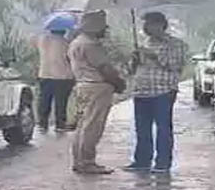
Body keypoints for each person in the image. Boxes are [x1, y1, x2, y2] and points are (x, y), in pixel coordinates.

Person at [124, 11, 188, 173]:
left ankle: (162, 163)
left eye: (150, 24)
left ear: (160, 25)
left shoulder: (175, 44)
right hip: (141, 91)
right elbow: (131, 70)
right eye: (145, 24)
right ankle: (142, 161)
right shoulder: (145, 43)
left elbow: (175, 66)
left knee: (163, 128)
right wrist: (135, 60)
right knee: (142, 129)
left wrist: (153, 57)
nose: (147, 28)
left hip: (163, 91)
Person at [68, 10, 126, 175]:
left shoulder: (76, 42)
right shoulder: (91, 45)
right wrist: (118, 83)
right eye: (102, 27)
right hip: (97, 87)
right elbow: (105, 68)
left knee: (82, 126)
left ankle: (79, 160)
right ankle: (88, 162)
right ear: (95, 27)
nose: (104, 31)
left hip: (82, 85)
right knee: (93, 126)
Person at [37, 27, 76, 132]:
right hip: (62, 76)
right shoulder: (66, 43)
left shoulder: (42, 40)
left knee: (44, 100)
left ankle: (42, 123)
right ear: (63, 30)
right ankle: (60, 124)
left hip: (45, 74)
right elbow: (71, 58)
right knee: (61, 102)